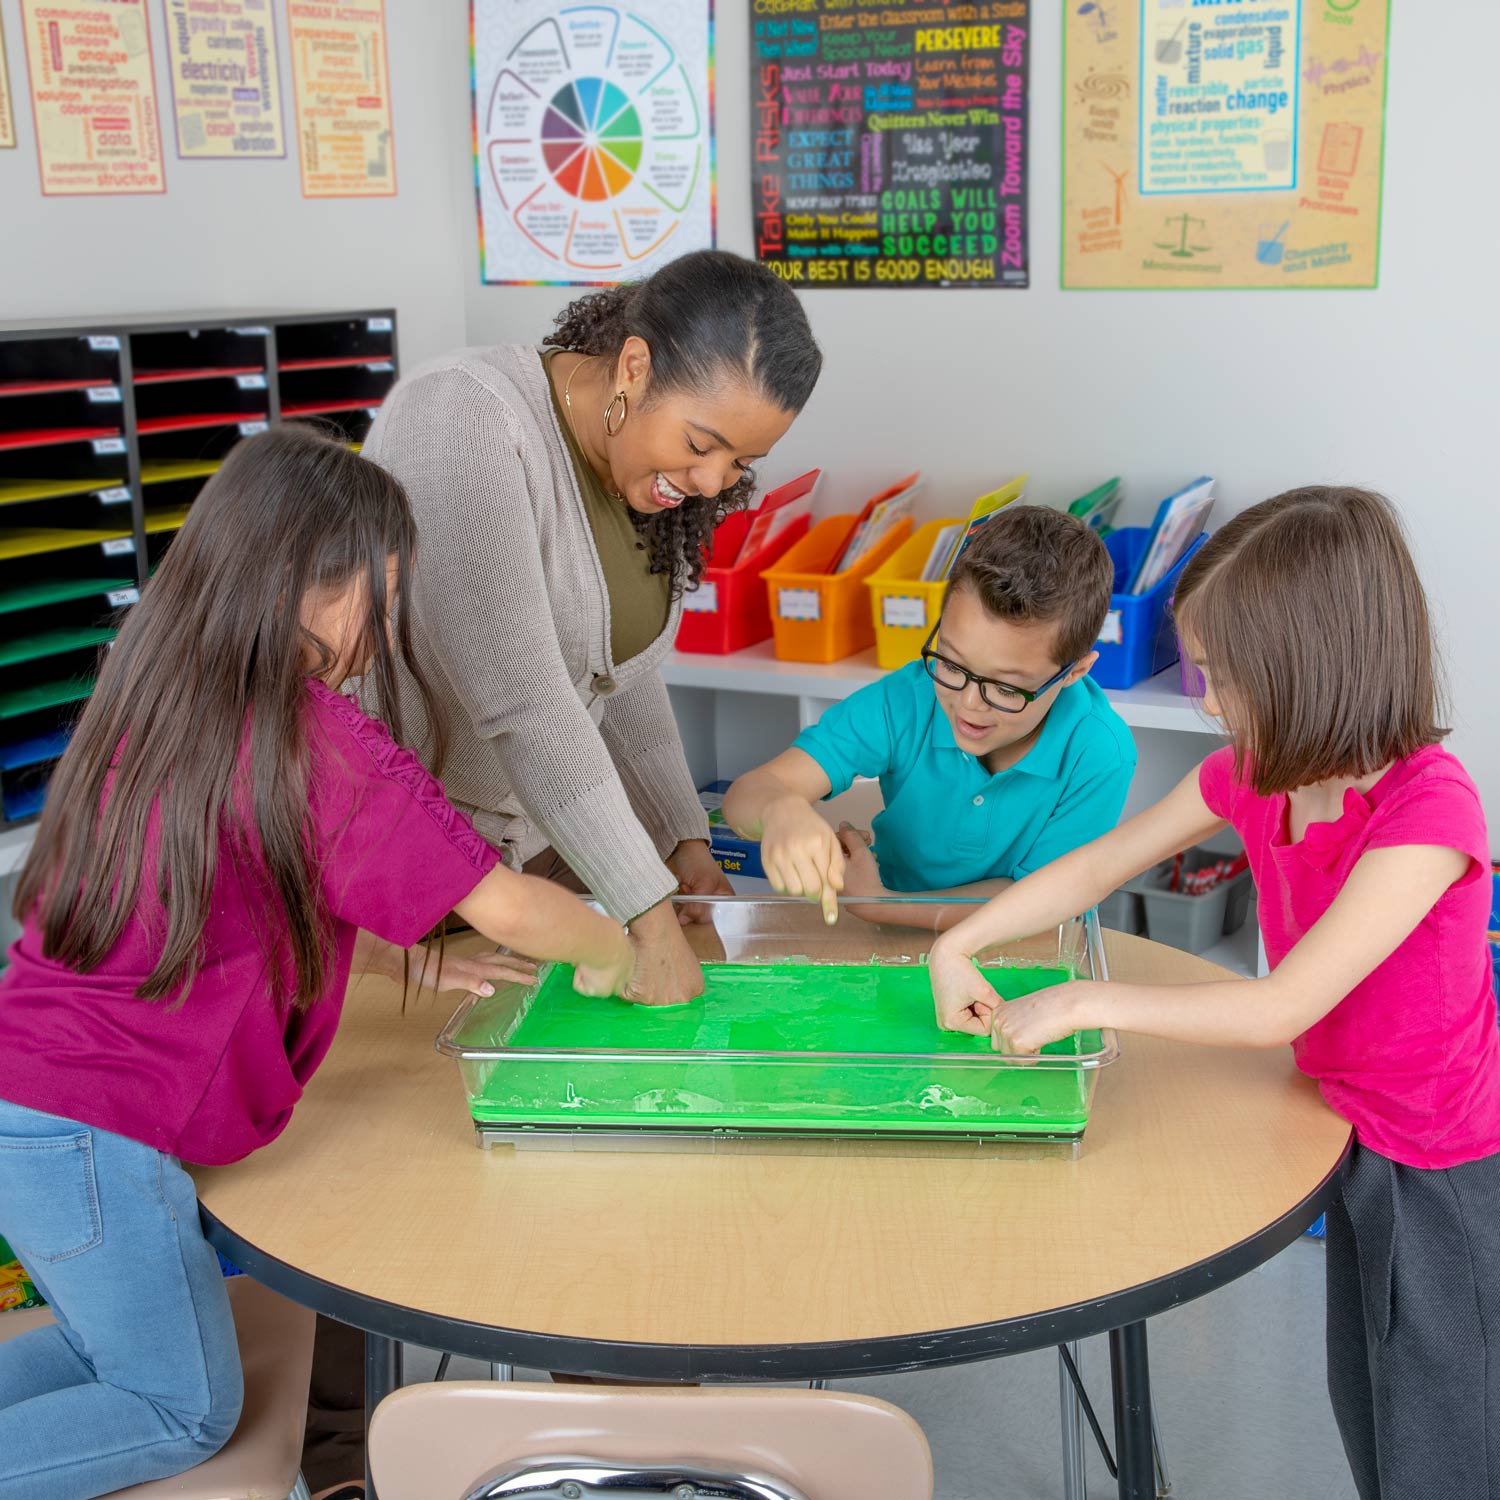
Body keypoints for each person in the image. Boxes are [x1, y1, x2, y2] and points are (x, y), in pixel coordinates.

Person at [0, 429, 634, 1499]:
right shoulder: (311, 734)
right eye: (380, 602)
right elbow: (511, 905)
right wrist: (625, 940)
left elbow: (216, 899)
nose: (382, 637)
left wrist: (386, 962)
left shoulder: (155, 684)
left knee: (122, 1361)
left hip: (42, 1098)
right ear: (307, 580)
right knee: (182, 1408)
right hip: (92, 1128)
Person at [928, 487, 1500, 1500]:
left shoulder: (1428, 808)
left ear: (1308, 665)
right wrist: (962, 939)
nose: (1207, 702)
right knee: (1367, 1399)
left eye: (1225, 677)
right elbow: (1099, 866)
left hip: (1442, 1165)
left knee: (1442, 1434)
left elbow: (1281, 1005)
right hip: (1345, 1133)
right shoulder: (1255, 771)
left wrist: (1081, 1002)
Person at [361, 248, 823, 1001]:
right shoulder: (464, 421)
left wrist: (682, 845)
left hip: (536, 859)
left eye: (742, 461)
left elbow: (617, 677)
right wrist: (648, 916)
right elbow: (528, 708)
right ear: (634, 367)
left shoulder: (652, 485)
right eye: (702, 444)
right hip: (411, 878)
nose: (712, 482)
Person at [724, 505, 1135, 928]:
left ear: (1076, 672)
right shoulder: (908, 697)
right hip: (891, 941)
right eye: (953, 665)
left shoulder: (1101, 751)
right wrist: (779, 808)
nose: (970, 704)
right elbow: (749, 794)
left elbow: (1041, 899)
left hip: (1027, 950)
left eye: (1007, 688)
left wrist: (879, 903)